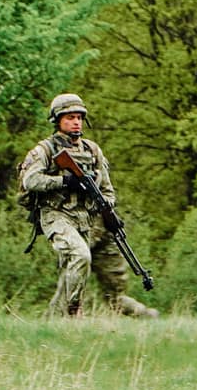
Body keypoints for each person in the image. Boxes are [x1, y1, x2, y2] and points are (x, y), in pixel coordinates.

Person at [17, 93, 157, 318]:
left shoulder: (92, 150)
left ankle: (144, 316)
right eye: (70, 117)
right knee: (80, 256)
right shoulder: (46, 150)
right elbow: (30, 181)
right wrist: (65, 181)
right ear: (57, 120)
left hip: (92, 219)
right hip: (58, 215)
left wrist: (106, 206)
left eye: (79, 117)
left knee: (114, 290)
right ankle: (73, 312)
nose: (76, 122)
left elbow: (108, 191)